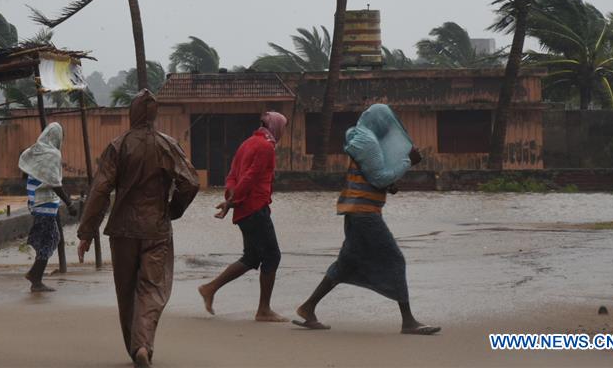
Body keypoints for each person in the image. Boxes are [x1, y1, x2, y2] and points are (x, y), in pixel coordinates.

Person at [77, 90, 199, 368]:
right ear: (154, 115)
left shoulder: (117, 146)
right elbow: (190, 182)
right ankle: (142, 345)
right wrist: (173, 209)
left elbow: (100, 191)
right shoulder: (167, 144)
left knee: (126, 291)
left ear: (131, 114)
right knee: (151, 289)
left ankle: (136, 349)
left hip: (122, 230)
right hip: (156, 229)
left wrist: (86, 233)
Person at [293, 105, 440, 335]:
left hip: (356, 210)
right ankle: (408, 321)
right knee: (395, 260)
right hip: (364, 213)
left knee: (346, 264)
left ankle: (308, 307)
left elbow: (370, 175)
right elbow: (379, 178)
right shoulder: (368, 143)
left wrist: (389, 185)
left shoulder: (362, 139)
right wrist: (408, 162)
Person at [198, 111, 288, 323]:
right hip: (255, 208)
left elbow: (232, 175)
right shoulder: (266, 147)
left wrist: (231, 200)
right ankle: (264, 310)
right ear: (276, 127)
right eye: (283, 128)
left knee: (252, 257)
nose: (283, 132)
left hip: (245, 210)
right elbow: (250, 177)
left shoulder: (247, 143)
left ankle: (210, 288)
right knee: (272, 256)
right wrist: (232, 201)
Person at [19, 122, 77, 292]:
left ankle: (35, 273)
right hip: (45, 204)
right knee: (50, 239)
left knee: (51, 237)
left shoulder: (34, 150)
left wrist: (36, 180)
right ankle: (35, 278)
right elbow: (54, 183)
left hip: (35, 202)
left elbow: (24, 170)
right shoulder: (53, 154)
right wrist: (69, 203)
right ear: (57, 137)